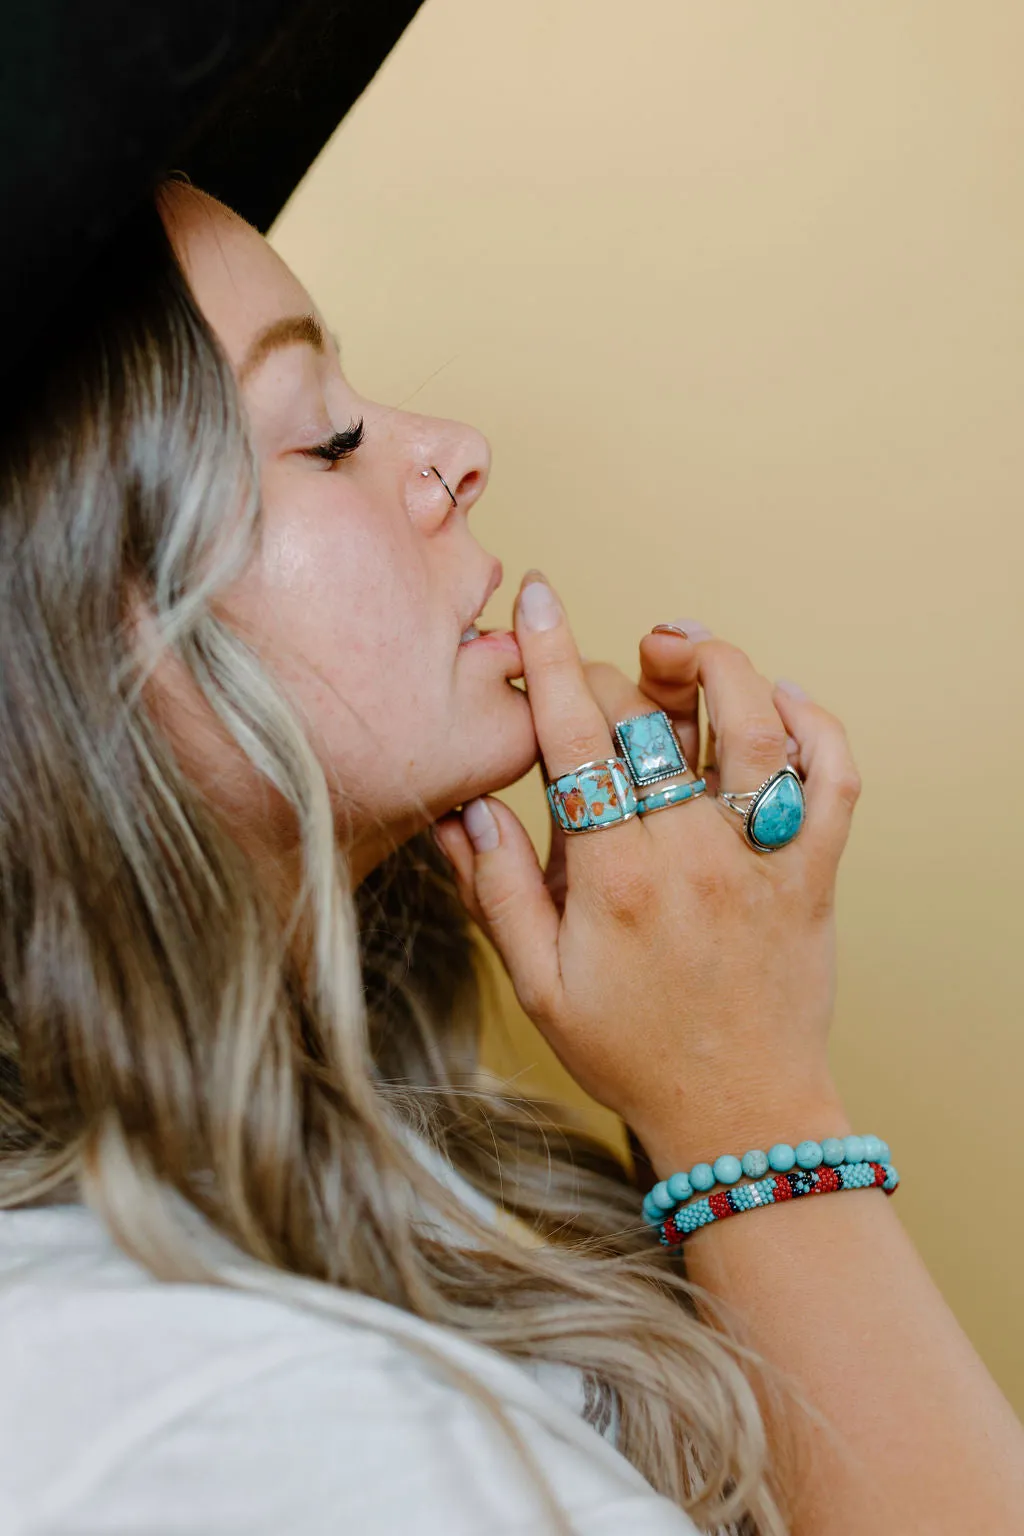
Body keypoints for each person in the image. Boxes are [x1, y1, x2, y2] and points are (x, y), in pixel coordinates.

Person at [0, 176, 1021, 1536]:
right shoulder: (209, 1419)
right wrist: (752, 1104)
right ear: (76, 640)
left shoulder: (311, 1225)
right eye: (329, 437)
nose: (456, 450)